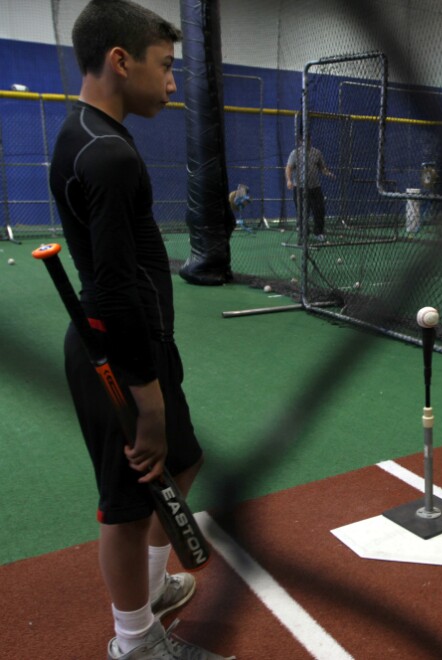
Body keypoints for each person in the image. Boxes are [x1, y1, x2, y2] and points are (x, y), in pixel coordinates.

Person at [48, 2, 231, 658]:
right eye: (166, 67)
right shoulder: (107, 155)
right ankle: (136, 643)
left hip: (138, 342)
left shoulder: (90, 134)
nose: (174, 82)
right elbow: (114, 286)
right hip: (117, 354)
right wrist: (145, 392)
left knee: (182, 461)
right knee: (127, 506)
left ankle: (152, 594)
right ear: (121, 62)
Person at [285, 134, 334, 242]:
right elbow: (288, 168)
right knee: (302, 212)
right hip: (300, 188)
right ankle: (304, 233)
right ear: (300, 141)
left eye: (308, 140)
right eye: (303, 140)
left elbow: (322, 167)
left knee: (319, 210)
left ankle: (319, 232)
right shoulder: (295, 153)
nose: (306, 142)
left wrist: (328, 173)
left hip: (315, 187)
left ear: (310, 140)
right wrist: (289, 180)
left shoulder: (317, 152)